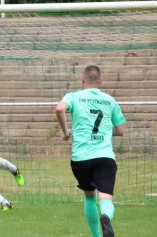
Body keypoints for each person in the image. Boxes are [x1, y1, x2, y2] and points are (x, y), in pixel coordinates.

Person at [55, 66, 126, 237]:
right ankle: (106, 216)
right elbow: (121, 131)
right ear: (100, 81)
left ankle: (97, 236)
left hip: (81, 157)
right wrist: (107, 132)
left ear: (82, 79)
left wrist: (65, 132)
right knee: (105, 198)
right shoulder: (110, 100)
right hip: (104, 157)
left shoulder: (74, 96)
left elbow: (59, 109)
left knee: (89, 197)